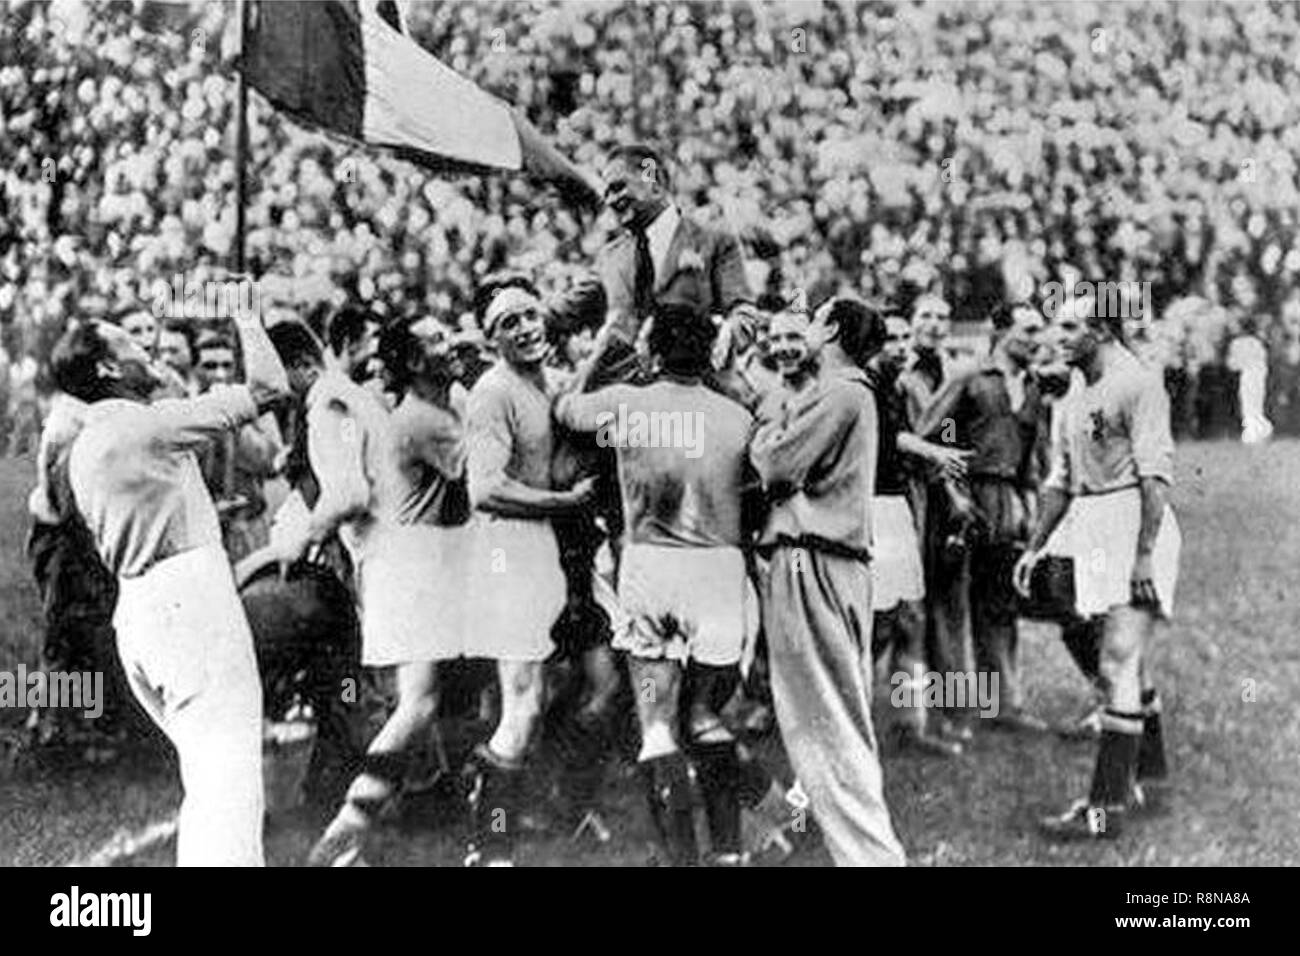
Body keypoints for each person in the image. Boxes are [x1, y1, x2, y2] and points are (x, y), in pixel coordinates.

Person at [54, 309, 289, 866]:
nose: (148, 348)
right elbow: (269, 387)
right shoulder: (146, 424)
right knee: (230, 790)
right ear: (111, 367)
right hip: (189, 603)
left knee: (209, 787)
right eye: (131, 341)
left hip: (141, 612)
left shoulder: (89, 442)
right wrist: (247, 315)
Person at [556, 302, 757, 866]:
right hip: (719, 571)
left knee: (658, 727)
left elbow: (564, 408)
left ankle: (683, 862)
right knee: (707, 717)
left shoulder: (626, 404)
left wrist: (599, 352)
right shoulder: (736, 416)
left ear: (652, 350)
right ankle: (729, 856)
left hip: (652, 569)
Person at [276, 316, 473, 867]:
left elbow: (347, 490)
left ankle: (406, 809)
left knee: (417, 699)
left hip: (401, 560)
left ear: (297, 364)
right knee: (416, 701)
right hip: (406, 562)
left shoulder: (329, 400)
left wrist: (307, 533)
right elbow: (350, 490)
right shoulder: (347, 399)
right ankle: (345, 835)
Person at [1013, 296, 1180, 841]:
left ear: (1103, 329)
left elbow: (1155, 475)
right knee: (1122, 661)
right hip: (1094, 524)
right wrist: (1035, 546)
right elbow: (1061, 477)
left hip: (1134, 522)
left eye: (1069, 326)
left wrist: (1144, 555)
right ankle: (1151, 780)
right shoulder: (1075, 390)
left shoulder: (1138, 384)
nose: (1056, 336)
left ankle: (1103, 810)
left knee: (1116, 663)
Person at [750, 296, 906, 867]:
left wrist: (767, 422)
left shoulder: (841, 390)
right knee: (833, 715)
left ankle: (871, 857)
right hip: (831, 561)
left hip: (811, 559)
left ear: (833, 329)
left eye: (814, 320)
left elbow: (775, 467)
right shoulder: (847, 391)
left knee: (825, 721)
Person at [462, 281, 596, 865]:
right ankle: (489, 847)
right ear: (491, 340)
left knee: (572, 690)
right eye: (508, 322)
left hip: (550, 550)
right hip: (509, 551)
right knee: (522, 705)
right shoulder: (492, 393)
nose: (525, 328)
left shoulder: (554, 382)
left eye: (530, 315)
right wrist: (566, 502)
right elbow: (485, 488)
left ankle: (532, 808)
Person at [915, 301, 1051, 733]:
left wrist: (1029, 505)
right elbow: (929, 436)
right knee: (950, 606)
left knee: (999, 605)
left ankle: (1001, 706)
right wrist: (950, 489)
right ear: (1002, 332)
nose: (1036, 339)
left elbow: (1031, 453)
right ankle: (953, 712)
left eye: (1038, 331)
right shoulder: (969, 376)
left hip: (1007, 503)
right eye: (1028, 330)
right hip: (961, 502)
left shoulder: (1032, 385)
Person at [869, 314, 969, 756]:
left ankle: (910, 723)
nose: (898, 347)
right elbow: (894, 439)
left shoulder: (891, 389)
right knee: (879, 626)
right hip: (874, 509)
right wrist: (932, 450)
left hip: (900, 509)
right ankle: (862, 721)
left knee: (910, 619)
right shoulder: (865, 390)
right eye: (888, 339)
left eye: (902, 338)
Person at [587, 143, 753, 390]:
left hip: (698, 395)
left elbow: (744, 313)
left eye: (618, 188)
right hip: (634, 406)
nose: (610, 201)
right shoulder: (610, 257)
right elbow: (568, 310)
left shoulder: (715, 240)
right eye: (606, 194)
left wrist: (726, 334)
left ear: (653, 181)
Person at [1227, 318, 1272, 444]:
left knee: (1248, 405)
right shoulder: (1257, 342)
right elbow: (1263, 359)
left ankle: (1253, 434)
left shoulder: (1237, 343)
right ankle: (1261, 430)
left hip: (1247, 375)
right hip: (1260, 375)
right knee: (1257, 404)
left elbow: (1233, 364)